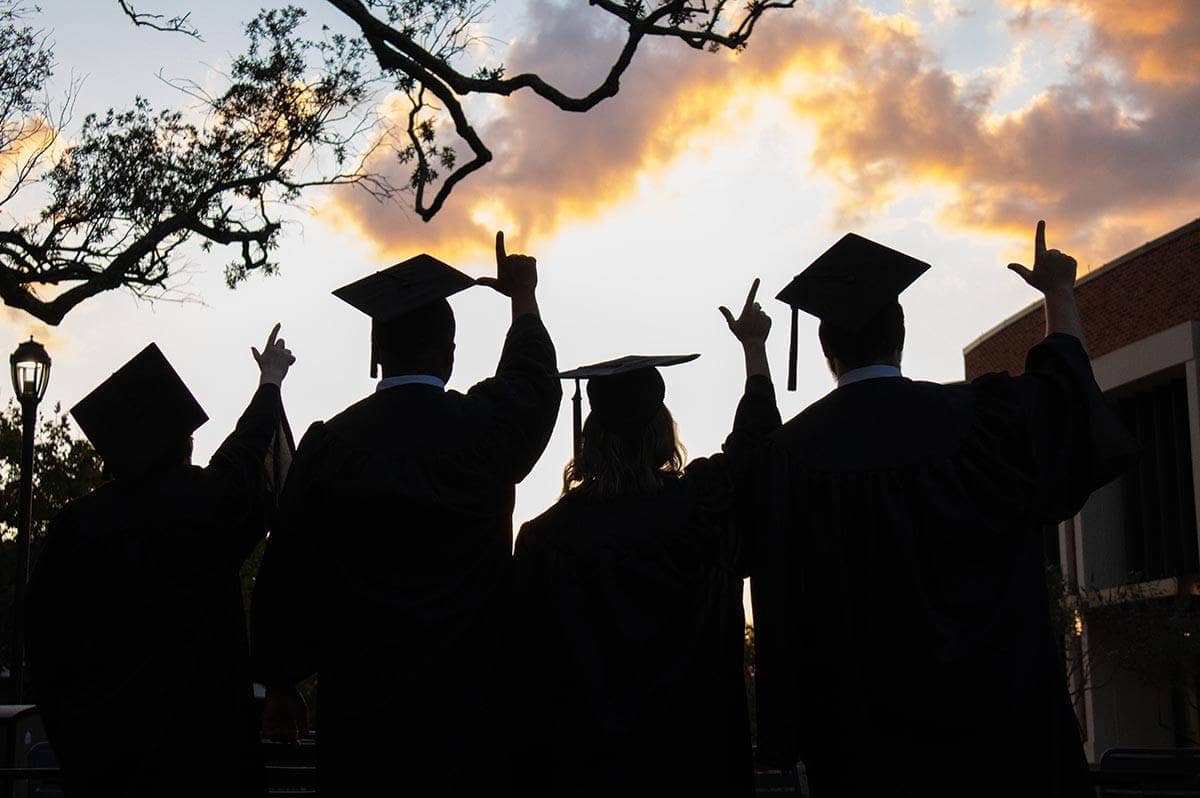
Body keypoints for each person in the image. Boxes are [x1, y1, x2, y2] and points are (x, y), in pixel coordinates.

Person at [751, 222, 1140, 797]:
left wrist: (754, 356)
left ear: (826, 348)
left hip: (866, 756)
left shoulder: (788, 460)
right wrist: (1059, 292)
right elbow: (1065, 399)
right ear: (901, 336)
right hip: (1001, 746)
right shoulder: (982, 421)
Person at [251, 232, 561, 796]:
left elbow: (290, 566)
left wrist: (281, 679)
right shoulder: (484, 430)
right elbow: (533, 384)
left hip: (364, 717)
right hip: (469, 712)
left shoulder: (331, 447)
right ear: (450, 354)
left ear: (376, 354)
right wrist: (523, 299)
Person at [510, 280, 781, 798]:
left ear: (590, 438)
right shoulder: (708, 508)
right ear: (663, 431)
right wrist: (754, 349)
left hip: (584, 778)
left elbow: (526, 680)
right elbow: (759, 448)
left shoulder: (546, 542)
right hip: (697, 771)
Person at [26, 328, 296, 798]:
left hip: (107, 756)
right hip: (203, 755)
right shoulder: (203, 506)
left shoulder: (76, 525)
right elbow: (245, 455)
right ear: (183, 444)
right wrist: (269, 383)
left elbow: (42, 638)